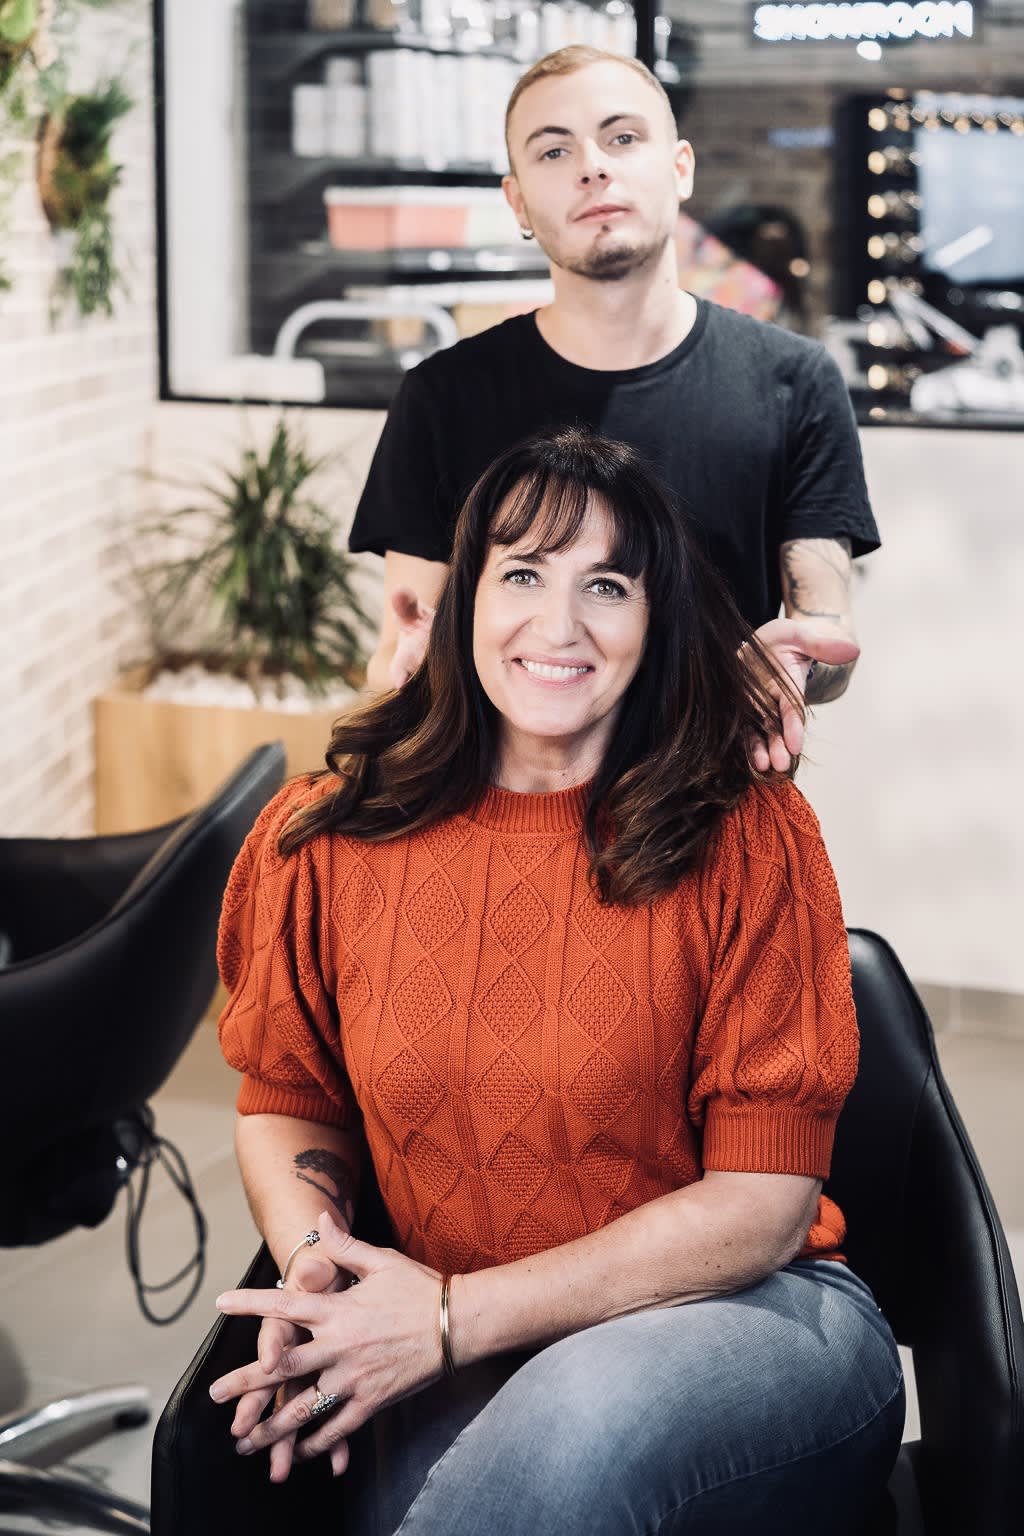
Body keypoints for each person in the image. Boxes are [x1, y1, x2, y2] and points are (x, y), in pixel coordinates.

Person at [208, 428, 903, 1535]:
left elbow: (762, 1207)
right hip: (467, 1336)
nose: (559, 624)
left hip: (750, 1322)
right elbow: (288, 1102)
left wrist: (447, 1315)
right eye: (522, 574)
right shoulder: (322, 839)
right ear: (457, 606)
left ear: (654, 622)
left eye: (608, 587)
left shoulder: (747, 838)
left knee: (564, 1432)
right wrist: (321, 1274)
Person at [349, 45, 874, 773]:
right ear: (519, 202)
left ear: (680, 167)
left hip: (707, 814)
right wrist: (410, 674)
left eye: (623, 138)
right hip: (499, 818)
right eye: (554, 150)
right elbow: (404, 643)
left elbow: (825, 627)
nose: (593, 165)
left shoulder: (795, 383)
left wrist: (798, 666)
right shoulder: (442, 396)